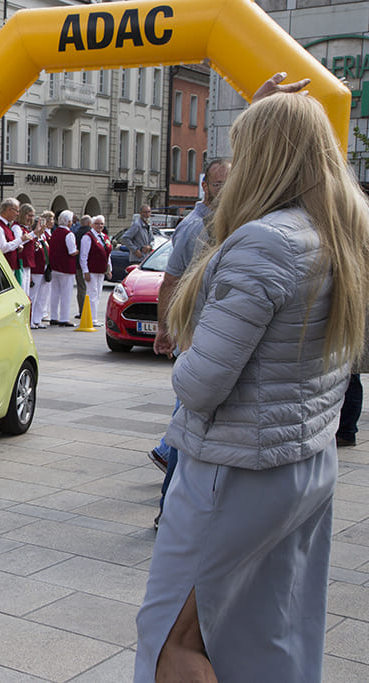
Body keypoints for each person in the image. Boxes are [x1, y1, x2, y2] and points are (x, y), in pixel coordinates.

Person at [135, 92, 369, 682]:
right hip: (303, 465)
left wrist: (184, 348)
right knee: (271, 632)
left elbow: (201, 385)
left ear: (265, 158)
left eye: (241, 151)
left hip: (234, 469)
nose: (231, 168)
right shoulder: (339, 236)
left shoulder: (265, 242)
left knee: (172, 640)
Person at [148, 158, 232, 526]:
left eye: (230, 183)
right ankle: (169, 509)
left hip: (223, 341)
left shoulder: (238, 225)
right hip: (195, 341)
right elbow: (169, 281)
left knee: (189, 421)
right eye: (218, 184)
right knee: (190, 423)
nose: (224, 190)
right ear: (205, 187)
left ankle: (169, 460)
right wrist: (165, 329)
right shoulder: (193, 227)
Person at [48, 210, 78, 327]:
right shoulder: (69, 234)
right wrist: (77, 251)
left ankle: (54, 316)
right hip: (66, 267)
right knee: (66, 293)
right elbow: (72, 251)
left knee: (55, 292)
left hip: (55, 266)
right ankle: (64, 317)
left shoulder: (54, 232)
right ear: (69, 222)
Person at [79, 215, 111, 326]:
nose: (99, 226)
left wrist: (109, 269)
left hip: (101, 270)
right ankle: (92, 318)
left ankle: (94, 317)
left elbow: (108, 254)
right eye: (97, 223)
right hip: (92, 270)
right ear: (92, 225)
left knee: (97, 294)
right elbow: (83, 256)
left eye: (101, 224)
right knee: (92, 293)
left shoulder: (104, 237)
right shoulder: (88, 237)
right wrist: (85, 271)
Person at [0, 197, 26, 284]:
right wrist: (20, 240)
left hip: (9, 267)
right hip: (3, 268)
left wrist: (17, 246)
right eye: (16, 211)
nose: (17, 214)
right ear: (9, 209)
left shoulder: (6, 226)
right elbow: (2, 248)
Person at [29, 210, 53, 329]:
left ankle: (37, 319)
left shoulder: (43, 237)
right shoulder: (33, 237)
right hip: (36, 269)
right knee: (33, 295)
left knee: (41, 295)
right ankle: (30, 319)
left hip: (44, 267)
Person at [16, 203, 37, 295]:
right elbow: (19, 242)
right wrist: (34, 233)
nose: (31, 218)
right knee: (23, 289)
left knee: (26, 290)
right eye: (29, 215)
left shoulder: (26, 229)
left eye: (32, 216)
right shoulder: (17, 227)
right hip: (21, 262)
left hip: (27, 262)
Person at [73, 215, 92, 317]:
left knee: (81, 288)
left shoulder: (76, 233)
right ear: (89, 223)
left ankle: (82, 310)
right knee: (90, 288)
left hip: (77, 264)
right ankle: (89, 311)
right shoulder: (91, 234)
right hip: (89, 265)